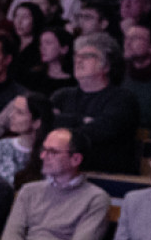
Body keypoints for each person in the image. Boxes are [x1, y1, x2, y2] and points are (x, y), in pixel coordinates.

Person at [52, 32, 141, 174]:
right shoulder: (62, 96)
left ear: (106, 66)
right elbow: (45, 123)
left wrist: (62, 124)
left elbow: (98, 132)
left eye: (87, 56)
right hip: (65, 174)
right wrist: (81, 120)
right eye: (76, 56)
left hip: (109, 177)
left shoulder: (123, 99)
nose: (78, 61)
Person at [0, 93, 52, 186]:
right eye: (13, 110)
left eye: (20, 113)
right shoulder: (2, 146)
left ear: (36, 123)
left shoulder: (48, 154)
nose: (11, 116)